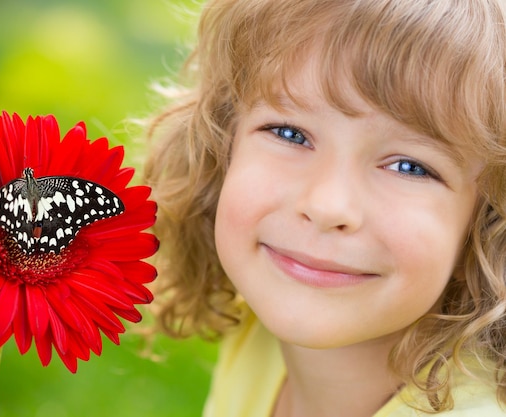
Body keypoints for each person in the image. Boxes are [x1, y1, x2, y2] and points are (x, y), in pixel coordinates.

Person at [143, 0, 506, 415]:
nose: (326, 205)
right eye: (290, 133)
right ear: (222, 148)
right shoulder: (257, 327)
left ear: (486, 225)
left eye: (410, 166)